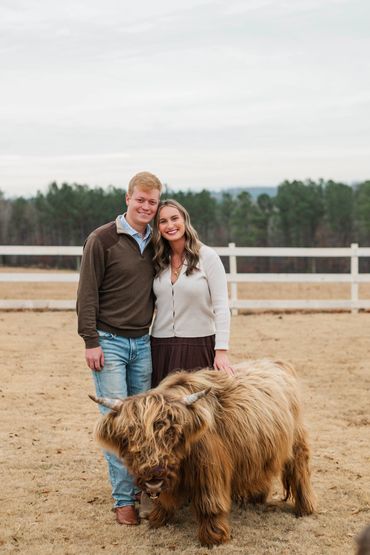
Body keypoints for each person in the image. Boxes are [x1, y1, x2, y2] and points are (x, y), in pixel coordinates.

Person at [76, 171, 162, 526]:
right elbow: (86, 294)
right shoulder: (102, 239)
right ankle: (123, 500)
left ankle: (143, 491)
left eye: (152, 202)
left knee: (145, 427)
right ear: (127, 199)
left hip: (143, 342)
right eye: (140, 199)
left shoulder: (155, 242)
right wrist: (90, 341)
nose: (145, 206)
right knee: (116, 424)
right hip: (108, 343)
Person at [150, 199, 233, 387]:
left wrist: (221, 351)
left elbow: (222, 307)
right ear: (157, 227)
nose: (170, 225)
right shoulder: (157, 260)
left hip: (198, 346)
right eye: (163, 221)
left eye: (174, 218)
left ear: (185, 220)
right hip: (160, 347)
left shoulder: (208, 257)